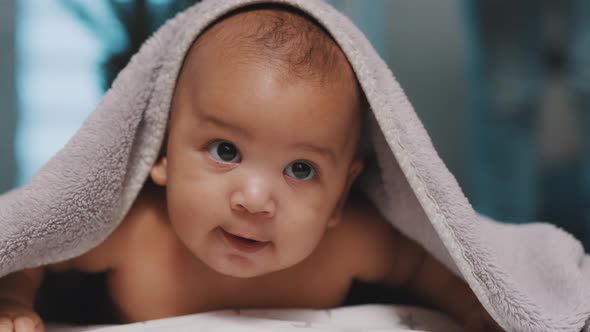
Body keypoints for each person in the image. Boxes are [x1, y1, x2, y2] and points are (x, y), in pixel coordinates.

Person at [0, 5, 502, 332]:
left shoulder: (349, 244)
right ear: (162, 153)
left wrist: (475, 310)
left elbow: (421, 262)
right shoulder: (135, 236)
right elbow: (37, 247)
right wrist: (15, 301)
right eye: (225, 151)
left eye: (301, 169)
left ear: (340, 198)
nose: (255, 199)